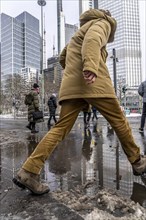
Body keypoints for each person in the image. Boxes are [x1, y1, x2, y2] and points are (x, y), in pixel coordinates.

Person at [13, 9, 146, 195]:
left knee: (59, 129)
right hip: (94, 84)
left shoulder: (78, 33)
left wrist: (75, 73)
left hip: (72, 87)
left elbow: (62, 57)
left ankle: (28, 171)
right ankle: (138, 162)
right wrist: (90, 67)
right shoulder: (103, 22)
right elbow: (92, 41)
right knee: (119, 121)